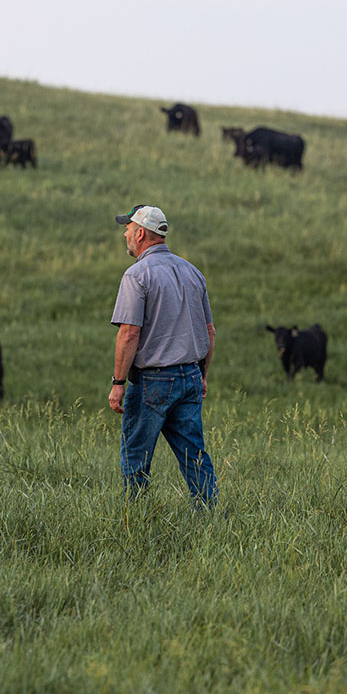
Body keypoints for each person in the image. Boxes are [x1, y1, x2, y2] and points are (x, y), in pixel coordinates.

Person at [108, 204, 217, 507]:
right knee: (194, 455)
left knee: (136, 458)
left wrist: (118, 383)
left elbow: (129, 334)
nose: (126, 234)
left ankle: (138, 520)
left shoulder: (137, 275)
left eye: (128, 228)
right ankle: (210, 516)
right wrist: (202, 376)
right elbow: (209, 332)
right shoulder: (193, 272)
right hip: (190, 376)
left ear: (141, 233)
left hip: (153, 381)